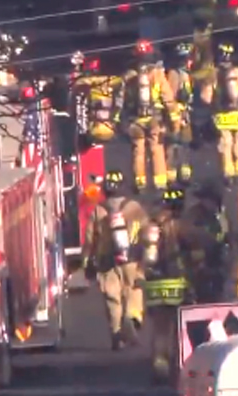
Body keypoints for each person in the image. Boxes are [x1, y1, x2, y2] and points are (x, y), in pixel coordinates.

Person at [81, 171, 149, 350]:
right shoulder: (134, 207)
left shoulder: (99, 210)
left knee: (112, 298)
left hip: (106, 263)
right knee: (133, 290)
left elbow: (90, 239)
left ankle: (117, 333)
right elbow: (147, 230)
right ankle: (132, 317)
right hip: (132, 259)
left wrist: (86, 262)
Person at [117, 40, 181, 191]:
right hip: (155, 120)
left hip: (136, 121)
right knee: (156, 148)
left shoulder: (128, 76)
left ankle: (140, 183)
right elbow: (168, 98)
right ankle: (160, 183)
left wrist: (119, 122)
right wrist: (174, 122)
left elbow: (120, 100)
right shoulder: (158, 75)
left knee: (138, 151)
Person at [198, 43, 238, 179]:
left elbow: (205, 98)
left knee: (225, 141)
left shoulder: (212, 75)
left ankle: (227, 171)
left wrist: (212, 107)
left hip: (221, 115)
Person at [143, 187, 189, 381]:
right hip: (177, 283)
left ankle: (159, 365)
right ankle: (178, 364)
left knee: (159, 328)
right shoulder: (182, 226)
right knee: (178, 326)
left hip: (155, 284)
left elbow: (140, 252)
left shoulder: (150, 226)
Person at [166, 45, 194, 184]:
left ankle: (184, 172)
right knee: (174, 142)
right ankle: (171, 173)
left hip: (184, 113)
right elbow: (171, 97)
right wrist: (175, 115)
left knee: (185, 142)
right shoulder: (174, 74)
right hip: (176, 114)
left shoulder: (185, 74)